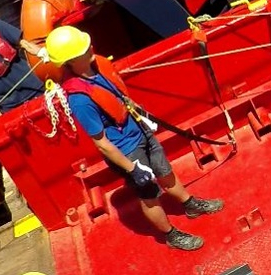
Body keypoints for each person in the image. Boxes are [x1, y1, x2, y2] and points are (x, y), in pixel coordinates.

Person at [44, 25, 222, 251]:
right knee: (149, 195)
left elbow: (119, 96)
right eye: (83, 48)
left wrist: (143, 116)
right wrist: (132, 169)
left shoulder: (98, 66)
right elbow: (101, 143)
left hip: (140, 130)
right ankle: (170, 235)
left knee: (165, 171)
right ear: (70, 60)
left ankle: (190, 204)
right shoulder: (80, 100)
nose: (90, 47)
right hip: (127, 150)